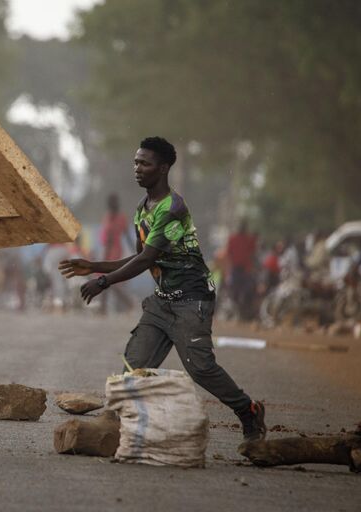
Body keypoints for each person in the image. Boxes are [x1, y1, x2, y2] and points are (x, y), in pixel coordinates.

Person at [59, 136, 267, 442]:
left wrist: (103, 281)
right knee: (134, 367)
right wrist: (94, 266)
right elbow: (142, 255)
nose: (138, 168)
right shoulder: (143, 208)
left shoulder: (173, 208)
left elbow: (147, 258)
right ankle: (116, 426)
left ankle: (248, 411)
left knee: (201, 369)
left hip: (191, 300)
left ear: (164, 168)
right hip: (162, 301)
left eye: (145, 163)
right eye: (136, 162)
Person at [99, 193, 134, 314]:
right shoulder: (107, 217)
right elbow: (106, 238)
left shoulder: (120, 217)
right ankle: (103, 309)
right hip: (108, 250)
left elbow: (127, 235)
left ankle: (128, 303)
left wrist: (136, 251)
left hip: (114, 251)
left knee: (107, 280)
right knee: (106, 280)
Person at [226, 221, 258, 321]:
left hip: (246, 269)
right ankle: (238, 309)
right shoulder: (233, 238)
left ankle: (246, 311)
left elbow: (253, 253)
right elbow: (229, 253)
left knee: (249, 289)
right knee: (234, 290)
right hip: (237, 269)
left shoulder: (249, 239)